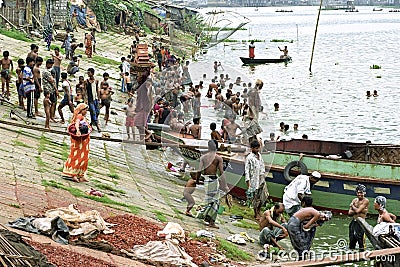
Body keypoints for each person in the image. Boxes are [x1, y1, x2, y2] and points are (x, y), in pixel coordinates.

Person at [197, 140, 228, 228]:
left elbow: (199, 171)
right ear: (217, 147)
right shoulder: (218, 158)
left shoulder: (203, 157)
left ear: (208, 147)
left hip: (207, 180)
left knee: (210, 201)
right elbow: (222, 173)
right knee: (215, 202)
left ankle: (206, 217)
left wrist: (197, 181)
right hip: (213, 180)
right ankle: (211, 221)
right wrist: (225, 185)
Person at [62, 103, 91, 182]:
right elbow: (77, 124)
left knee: (84, 157)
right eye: (85, 110)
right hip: (79, 141)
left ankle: (81, 174)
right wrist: (78, 130)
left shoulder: (83, 117)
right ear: (82, 110)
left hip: (85, 140)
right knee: (77, 156)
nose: (86, 112)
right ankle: (72, 173)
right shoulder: (79, 116)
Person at [245, 140, 268, 219]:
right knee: (255, 198)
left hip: (261, 179)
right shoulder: (249, 158)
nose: (257, 150)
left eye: (258, 148)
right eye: (256, 148)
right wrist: (248, 184)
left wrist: (263, 176)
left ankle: (259, 210)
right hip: (253, 180)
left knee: (264, 195)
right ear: (252, 148)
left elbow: (262, 166)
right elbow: (247, 171)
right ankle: (256, 213)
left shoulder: (260, 156)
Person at [348, 184, 369, 251]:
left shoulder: (365, 201)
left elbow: (357, 210)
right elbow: (349, 213)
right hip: (353, 222)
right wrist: (360, 210)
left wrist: (353, 206)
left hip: (361, 224)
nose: (360, 194)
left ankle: (363, 258)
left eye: (361, 193)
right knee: (351, 242)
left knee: (361, 243)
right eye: (358, 192)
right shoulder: (354, 200)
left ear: (364, 193)